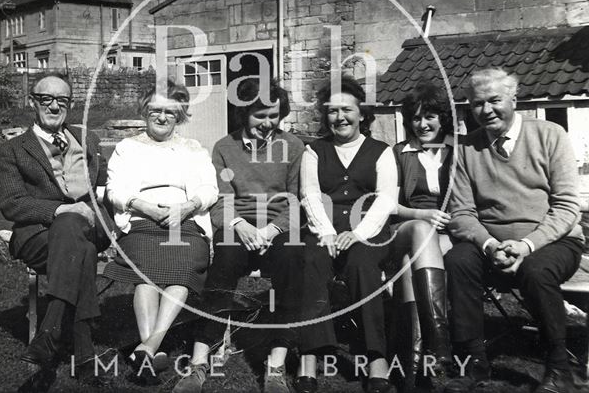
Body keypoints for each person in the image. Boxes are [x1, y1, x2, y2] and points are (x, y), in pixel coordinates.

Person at [444, 68, 584, 393]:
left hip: (553, 243)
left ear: (514, 99)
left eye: (495, 100)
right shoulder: (466, 149)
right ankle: (473, 364)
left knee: (536, 271)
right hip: (493, 246)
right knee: (459, 260)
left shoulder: (550, 135)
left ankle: (559, 368)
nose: (487, 110)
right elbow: (461, 213)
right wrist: (491, 245)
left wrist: (526, 246)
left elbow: (566, 208)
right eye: (477, 104)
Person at [172, 78, 305, 393]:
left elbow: (296, 200)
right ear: (245, 114)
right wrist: (241, 226)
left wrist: (273, 229)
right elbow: (220, 200)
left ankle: (276, 365)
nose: (267, 122)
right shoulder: (224, 147)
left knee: (292, 259)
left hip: (278, 227)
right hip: (238, 226)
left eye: (273, 115)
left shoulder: (294, 147)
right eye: (260, 115)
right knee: (225, 261)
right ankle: (200, 362)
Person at [0, 76, 113, 378]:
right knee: (80, 249)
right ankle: (84, 352)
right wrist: (61, 209)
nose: (54, 105)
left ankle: (49, 332)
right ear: (32, 101)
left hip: (90, 224)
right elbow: (12, 204)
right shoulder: (11, 150)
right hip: (38, 235)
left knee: (75, 226)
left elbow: (105, 188)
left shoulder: (89, 140)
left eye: (62, 100)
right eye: (46, 98)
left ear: (70, 104)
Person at [103, 83, 218, 384]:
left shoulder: (193, 148)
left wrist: (187, 207)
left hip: (186, 221)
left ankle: (148, 347)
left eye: (170, 112)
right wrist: (146, 207)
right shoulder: (127, 148)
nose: (162, 117)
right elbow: (115, 190)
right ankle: (151, 348)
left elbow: (209, 189)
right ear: (145, 111)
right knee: (147, 275)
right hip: (141, 219)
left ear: (180, 116)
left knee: (181, 269)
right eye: (156, 110)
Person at [297, 77, 398, 393]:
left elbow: (386, 199)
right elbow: (310, 195)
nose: (340, 117)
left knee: (362, 264)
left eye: (347, 110)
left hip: (368, 232)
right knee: (310, 260)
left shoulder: (382, 152)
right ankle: (310, 357)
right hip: (323, 230)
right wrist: (327, 233)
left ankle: (376, 357)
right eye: (332, 111)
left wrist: (357, 234)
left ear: (362, 113)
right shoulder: (314, 151)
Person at [390, 82, 454, 382]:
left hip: (450, 232)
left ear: (443, 118)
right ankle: (439, 341)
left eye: (429, 116)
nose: (423, 124)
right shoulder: (399, 152)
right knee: (419, 231)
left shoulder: (459, 151)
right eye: (415, 118)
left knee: (409, 262)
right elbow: (388, 205)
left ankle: (414, 359)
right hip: (406, 225)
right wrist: (422, 214)